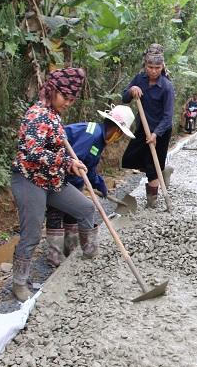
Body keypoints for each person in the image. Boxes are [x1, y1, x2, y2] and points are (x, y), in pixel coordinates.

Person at [10, 68, 97, 302]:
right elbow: (32, 152)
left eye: (72, 99)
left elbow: (56, 148)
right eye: (66, 98)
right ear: (53, 90)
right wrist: (65, 161)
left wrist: (69, 163)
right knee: (31, 234)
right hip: (29, 180)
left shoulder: (54, 114)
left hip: (51, 179)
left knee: (86, 208)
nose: (69, 103)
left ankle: (87, 255)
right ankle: (19, 283)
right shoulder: (37, 115)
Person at [44, 105, 135, 267]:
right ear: (116, 130)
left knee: (73, 212)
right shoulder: (92, 135)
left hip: (70, 178)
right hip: (54, 174)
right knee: (57, 213)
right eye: (120, 135)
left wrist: (100, 185)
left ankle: (70, 249)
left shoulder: (99, 139)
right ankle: (54, 257)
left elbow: (89, 168)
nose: (118, 139)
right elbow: (74, 162)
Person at [120, 44, 175, 208]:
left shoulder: (166, 86)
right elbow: (124, 98)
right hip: (143, 129)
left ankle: (152, 203)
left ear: (162, 67)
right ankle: (161, 172)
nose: (153, 71)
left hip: (161, 132)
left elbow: (168, 116)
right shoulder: (139, 79)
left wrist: (156, 134)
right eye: (150, 67)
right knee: (129, 159)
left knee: (152, 166)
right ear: (145, 66)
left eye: (157, 67)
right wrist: (131, 90)